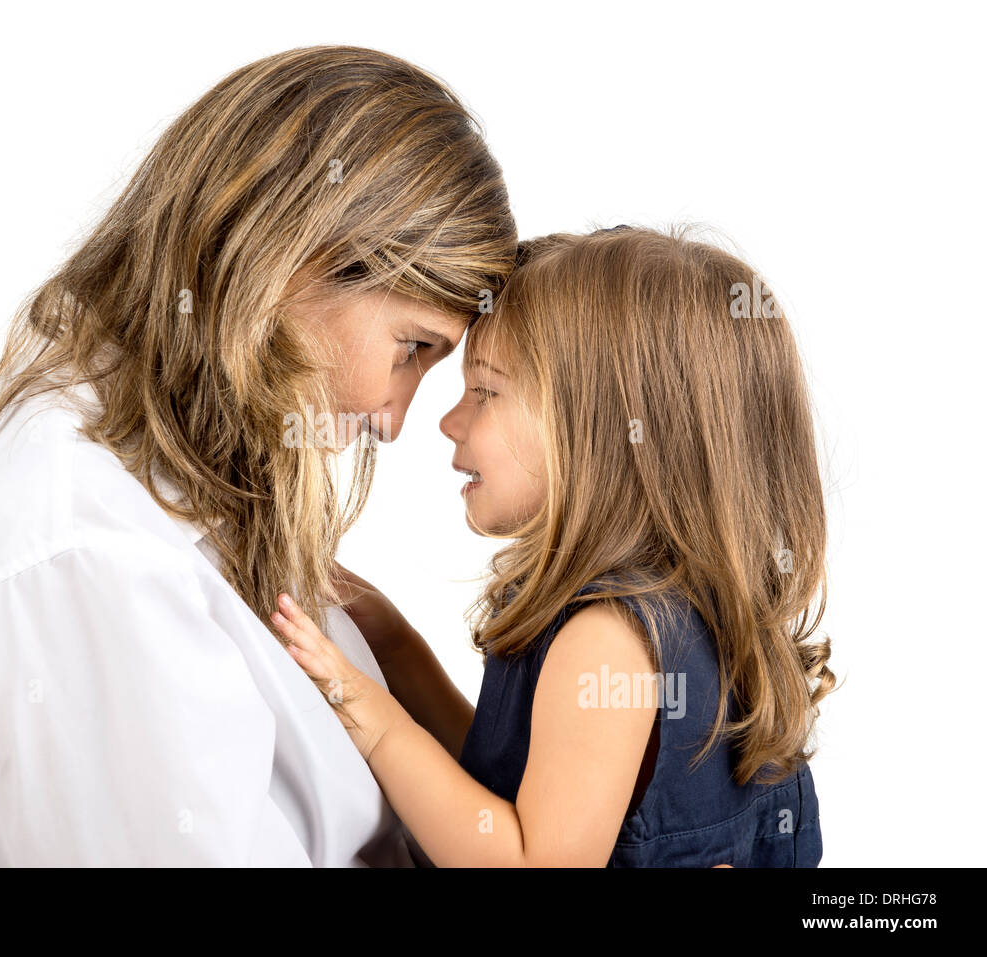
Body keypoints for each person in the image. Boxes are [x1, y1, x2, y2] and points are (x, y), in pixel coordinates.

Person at [0, 45, 517, 866]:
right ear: (288, 256)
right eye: (411, 346)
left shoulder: (179, 498)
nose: (396, 419)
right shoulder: (81, 554)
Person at [270, 226, 836, 866]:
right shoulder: (685, 615)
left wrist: (370, 717)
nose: (448, 421)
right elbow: (503, 789)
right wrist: (389, 640)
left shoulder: (607, 641)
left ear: (602, 432)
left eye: (485, 392)